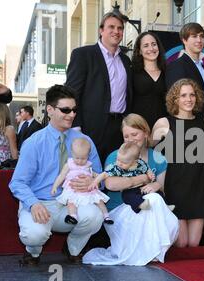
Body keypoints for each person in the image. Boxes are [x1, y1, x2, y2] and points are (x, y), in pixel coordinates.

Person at [9, 84, 104, 265]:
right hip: (41, 202)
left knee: (96, 216)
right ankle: (33, 252)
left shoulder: (85, 141)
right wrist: (33, 204)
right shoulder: (34, 143)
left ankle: (73, 248)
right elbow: (18, 183)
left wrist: (93, 181)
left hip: (74, 202)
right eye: (66, 110)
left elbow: (99, 176)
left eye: (74, 110)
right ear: (50, 110)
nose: (72, 114)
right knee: (34, 234)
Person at [82, 114, 179, 266]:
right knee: (153, 200)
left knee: (156, 200)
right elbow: (111, 185)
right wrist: (142, 179)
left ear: (146, 133)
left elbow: (161, 188)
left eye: (135, 134)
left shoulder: (158, 158)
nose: (131, 139)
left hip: (150, 210)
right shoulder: (118, 156)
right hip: (118, 212)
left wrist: (154, 185)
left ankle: (152, 250)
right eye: (126, 136)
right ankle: (153, 251)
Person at [65, 11, 133, 163]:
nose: (116, 31)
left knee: (114, 174)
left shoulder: (125, 60)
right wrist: (76, 128)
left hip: (119, 128)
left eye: (120, 28)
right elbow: (71, 94)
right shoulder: (83, 55)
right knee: (89, 175)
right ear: (101, 30)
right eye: (111, 27)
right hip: (91, 127)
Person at [152, 79, 204, 247]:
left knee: (194, 244)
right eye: (183, 95)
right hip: (174, 187)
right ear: (175, 99)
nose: (188, 99)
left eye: (192, 94)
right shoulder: (164, 123)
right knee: (182, 243)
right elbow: (149, 152)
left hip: (198, 187)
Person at [51, 137, 112, 225]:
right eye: (77, 158)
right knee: (71, 202)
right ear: (72, 153)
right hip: (73, 189)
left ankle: (106, 216)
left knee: (99, 200)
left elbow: (95, 175)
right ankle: (73, 217)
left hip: (88, 189)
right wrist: (55, 186)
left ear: (88, 155)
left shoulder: (88, 165)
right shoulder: (69, 164)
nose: (79, 161)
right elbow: (61, 176)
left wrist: (98, 178)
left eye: (83, 158)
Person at [89, 141, 156, 212]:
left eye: (124, 162)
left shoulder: (140, 163)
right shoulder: (115, 167)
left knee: (153, 191)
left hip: (142, 187)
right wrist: (95, 182)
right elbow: (104, 174)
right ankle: (141, 204)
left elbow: (147, 168)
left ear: (135, 161)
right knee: (127, 196)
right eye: (118, 159)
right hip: (128, 189)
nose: (119, 163)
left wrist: (150, 174)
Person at [165, 22, 204, 118]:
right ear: (184, 40)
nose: (199, 40)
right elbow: (175, 101)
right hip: (186, 124)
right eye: (194, 36)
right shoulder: (176, 66)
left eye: (201, 36)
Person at [131, 32, 168, 129]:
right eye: (146, 46)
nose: (151, 49)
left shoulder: (167, 72)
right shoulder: (132, 72)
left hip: (163, 129)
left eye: (154, 44)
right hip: (139, 128)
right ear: (139, 51)